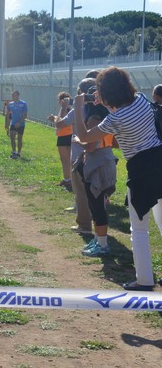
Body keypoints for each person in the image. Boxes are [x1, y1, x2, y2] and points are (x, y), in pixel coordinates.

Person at [74, 66, 162, 291]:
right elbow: (121, 107)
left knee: (140, 229)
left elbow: (84, 136)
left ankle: (144, 280)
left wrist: (77, 108)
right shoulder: (141, 99)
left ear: (105, 92)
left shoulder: (116, 120)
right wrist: (104, 101)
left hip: (141, 170)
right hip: (160, 159)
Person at [52, 78, 96, 236]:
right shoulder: (102, 109)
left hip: (79, 153)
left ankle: (84, 224)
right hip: (98, 154)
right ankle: (100, 228)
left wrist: (64, 107)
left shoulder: (78, 109)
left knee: (81, 191)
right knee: (95, 191)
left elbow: (60, 124)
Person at [77, 99, 117, 257]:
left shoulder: (94, 119)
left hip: (98, 164)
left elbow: (91, 146)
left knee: (96, 205)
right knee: (98, 204)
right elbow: (115, 142)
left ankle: (102, 244)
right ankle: (98, 239)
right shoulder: (108, 117)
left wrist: (78, 140)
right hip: (106, 160)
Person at [49, 92, 73, 192]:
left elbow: (60, 121)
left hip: (67, 135)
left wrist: (62, 108)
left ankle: (71, 180)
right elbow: (59, 120)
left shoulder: (67, 110)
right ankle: (67, 179)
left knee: (69, 159)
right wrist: (54, 118)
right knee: (65, 159)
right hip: (63, 135)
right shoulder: (66, 110)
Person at [7, 90, 28, 159]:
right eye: (12, 95)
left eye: (14, 95)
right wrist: (7, 124)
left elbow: (25, 115)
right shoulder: (10, 104)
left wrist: (19, 122)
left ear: (18, 95)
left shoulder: (23, 103)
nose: (13, 97)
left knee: (19, 139)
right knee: (12, 137)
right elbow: (8, 114)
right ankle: (14, 152)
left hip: (21, 124)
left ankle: (19, 152)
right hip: (13, 123)